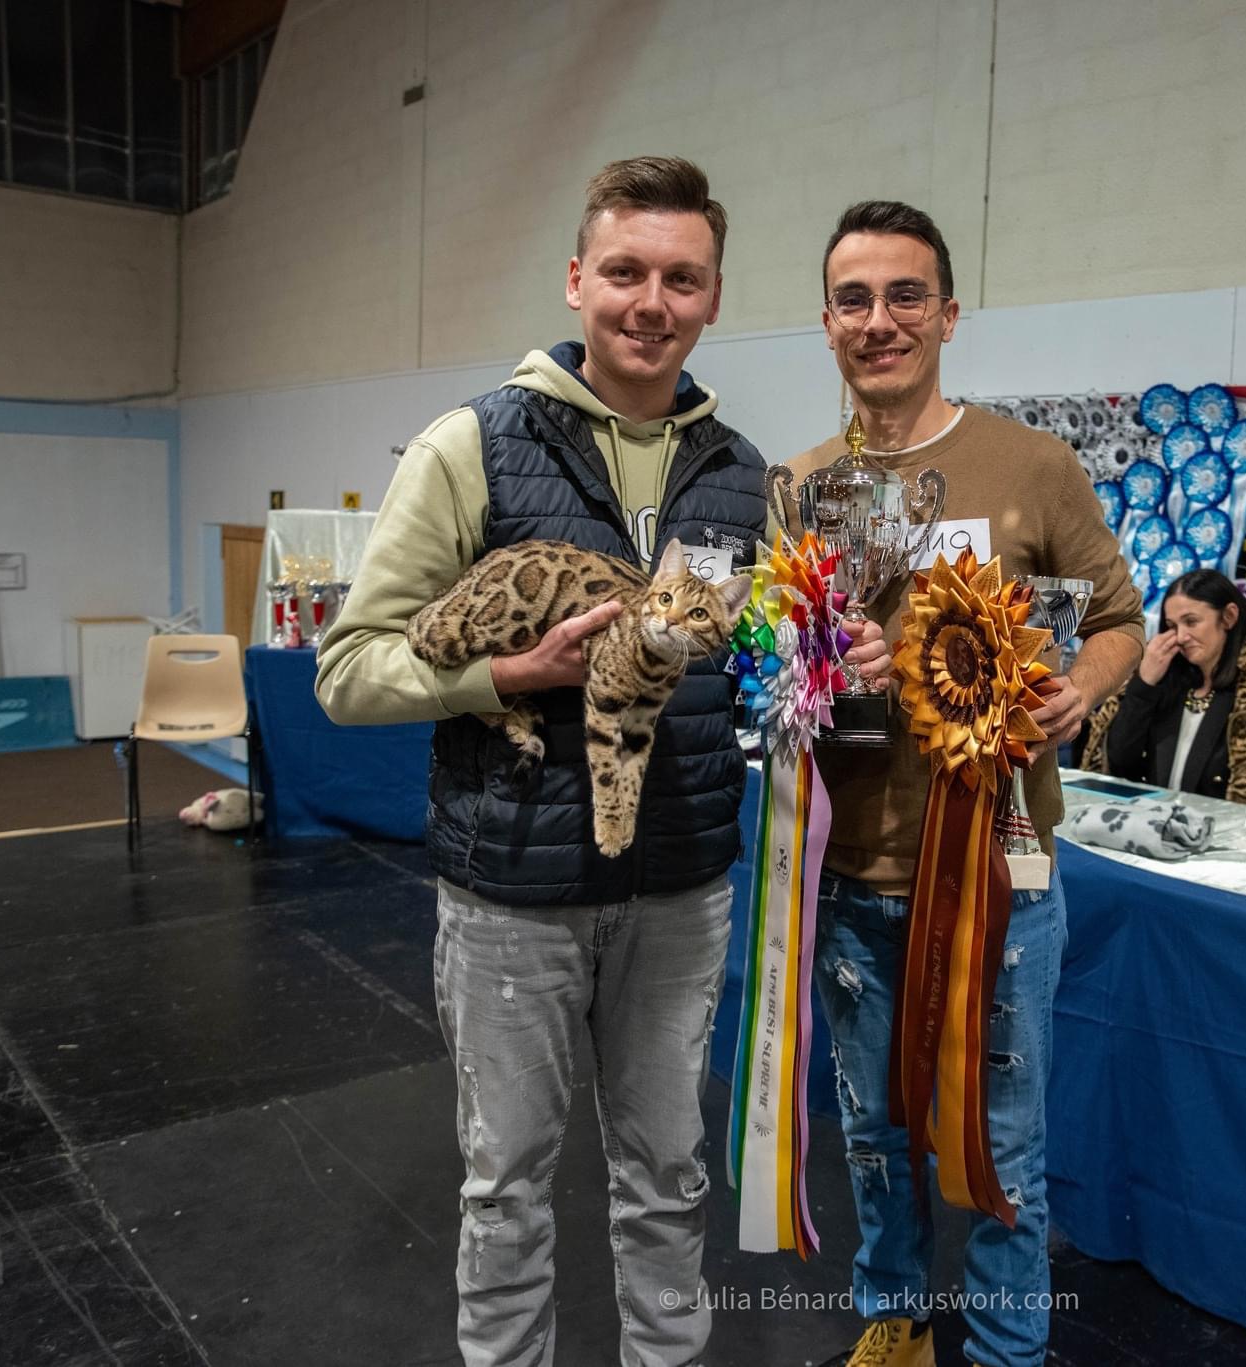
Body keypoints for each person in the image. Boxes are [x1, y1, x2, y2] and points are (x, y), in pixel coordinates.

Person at [317, 156, 885, 1367]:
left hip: (680, 888)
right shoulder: (471, 446)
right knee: (507, 1183)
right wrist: (507, 678)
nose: (650, 301)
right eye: (623, 271)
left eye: (681, 278)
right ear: (577, 280)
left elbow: (771, 658)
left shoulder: (743, 472)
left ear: (713, 296)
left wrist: (839, 652)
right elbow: (346, 667)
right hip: (509, 896)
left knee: (667, 1175)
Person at [786, 201, 1144, 1367]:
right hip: (845, 876)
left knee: (1002, 1149)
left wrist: (1077, 687)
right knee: (873, 1136)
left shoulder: (1030, 465)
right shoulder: (793, 489)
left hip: (1002, 876)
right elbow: (764, 659)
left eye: (903, 297)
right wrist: (822, 659)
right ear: (826, 321)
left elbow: (1121, 619)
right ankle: (892, 1323)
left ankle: (1000, 1354)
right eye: (853, 298)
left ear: (946, 314)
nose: (878, 321)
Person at [1103, 569, 1246, 803]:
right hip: (1155, 826)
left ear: (1229, 617)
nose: (1181, 636)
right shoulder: (1170, 680)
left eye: (1191, 622)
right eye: (1172, 626)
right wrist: (1143, 685)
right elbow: (1120, 762)